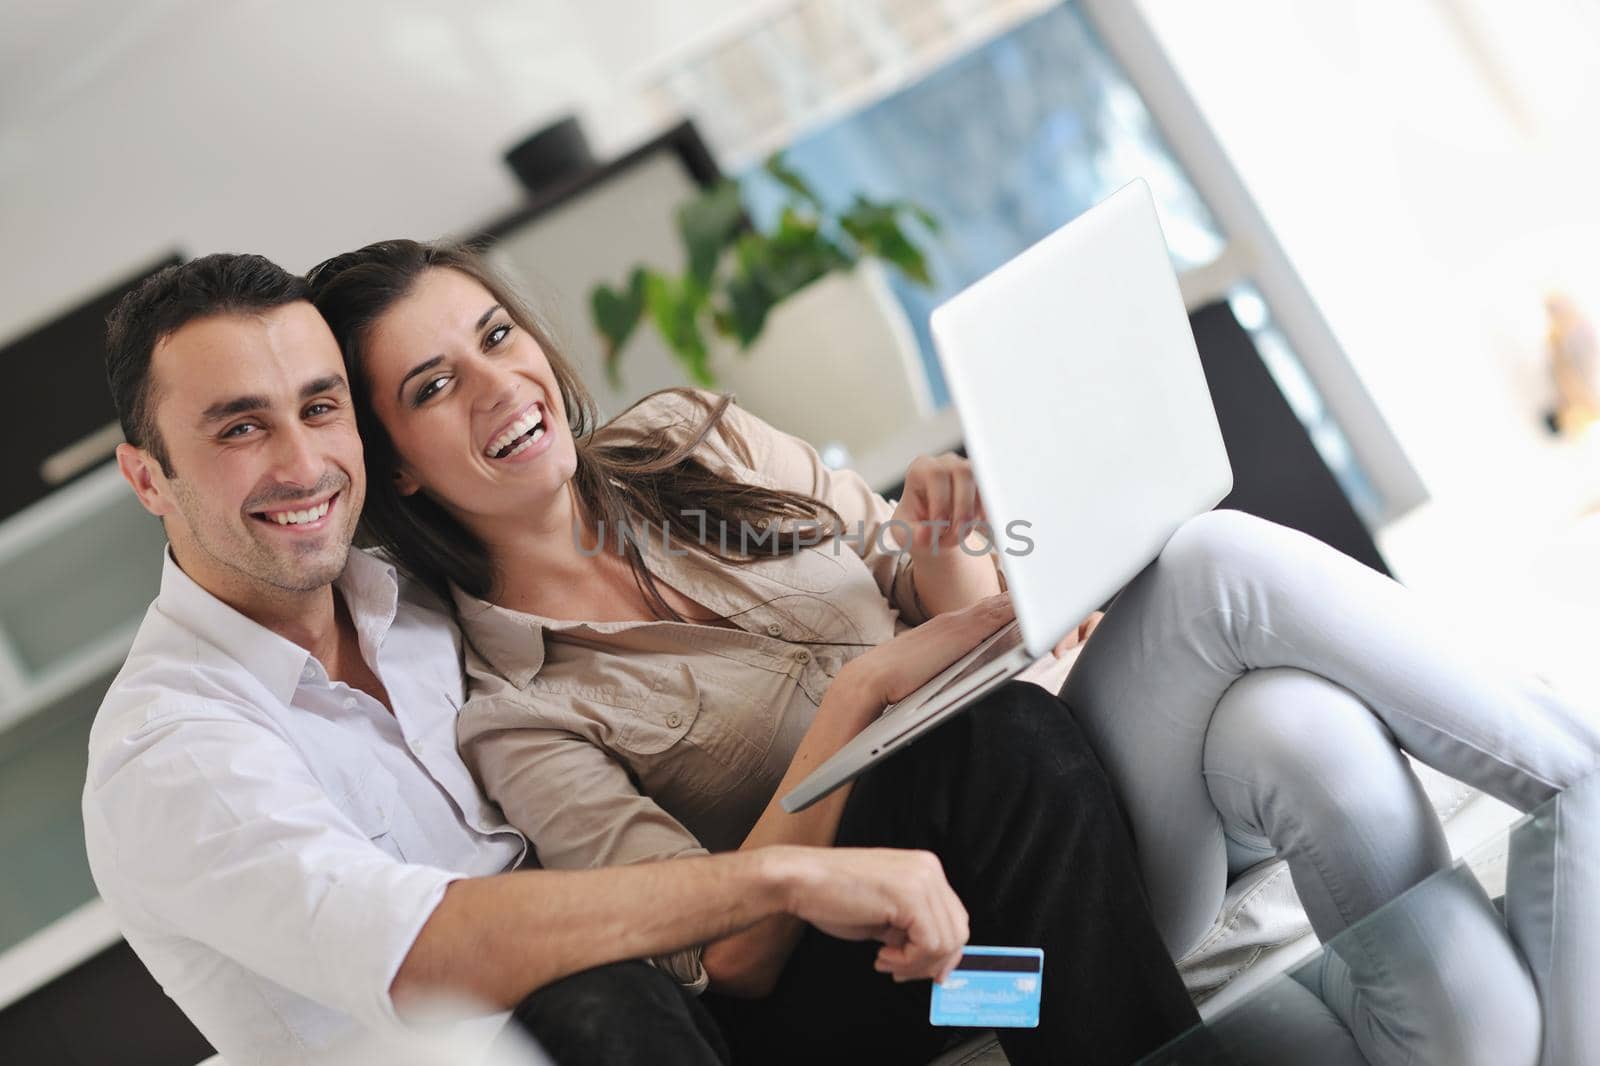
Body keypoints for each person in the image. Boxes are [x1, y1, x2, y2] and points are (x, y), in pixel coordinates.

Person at [311, 238, 1600, 1066]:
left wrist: (944, 538)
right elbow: (728, 956)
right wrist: (860, 700)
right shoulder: (517, 710)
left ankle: (1573, 790)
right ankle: (1578, 773)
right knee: (1216, 586)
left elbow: (941, 607)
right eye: (430, 388)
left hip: (1060, 770)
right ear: (399, 473)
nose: (496, 387)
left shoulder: (679, 444)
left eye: (493, 335)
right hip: (975, 963)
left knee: (1283, 714)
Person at [82, 253, 1067, 1066]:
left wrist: (1012, 601)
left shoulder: (413, 609)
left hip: (726, 1016)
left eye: (319, 406)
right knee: (590, 990)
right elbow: (423, 949)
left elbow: (917, 570)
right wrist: (785, 874)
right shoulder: (173, 747)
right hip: (586, 1026)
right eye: (241, 428)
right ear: (147, 477)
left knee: (1026, 771)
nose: (301, 463)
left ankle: (1065, 1006)